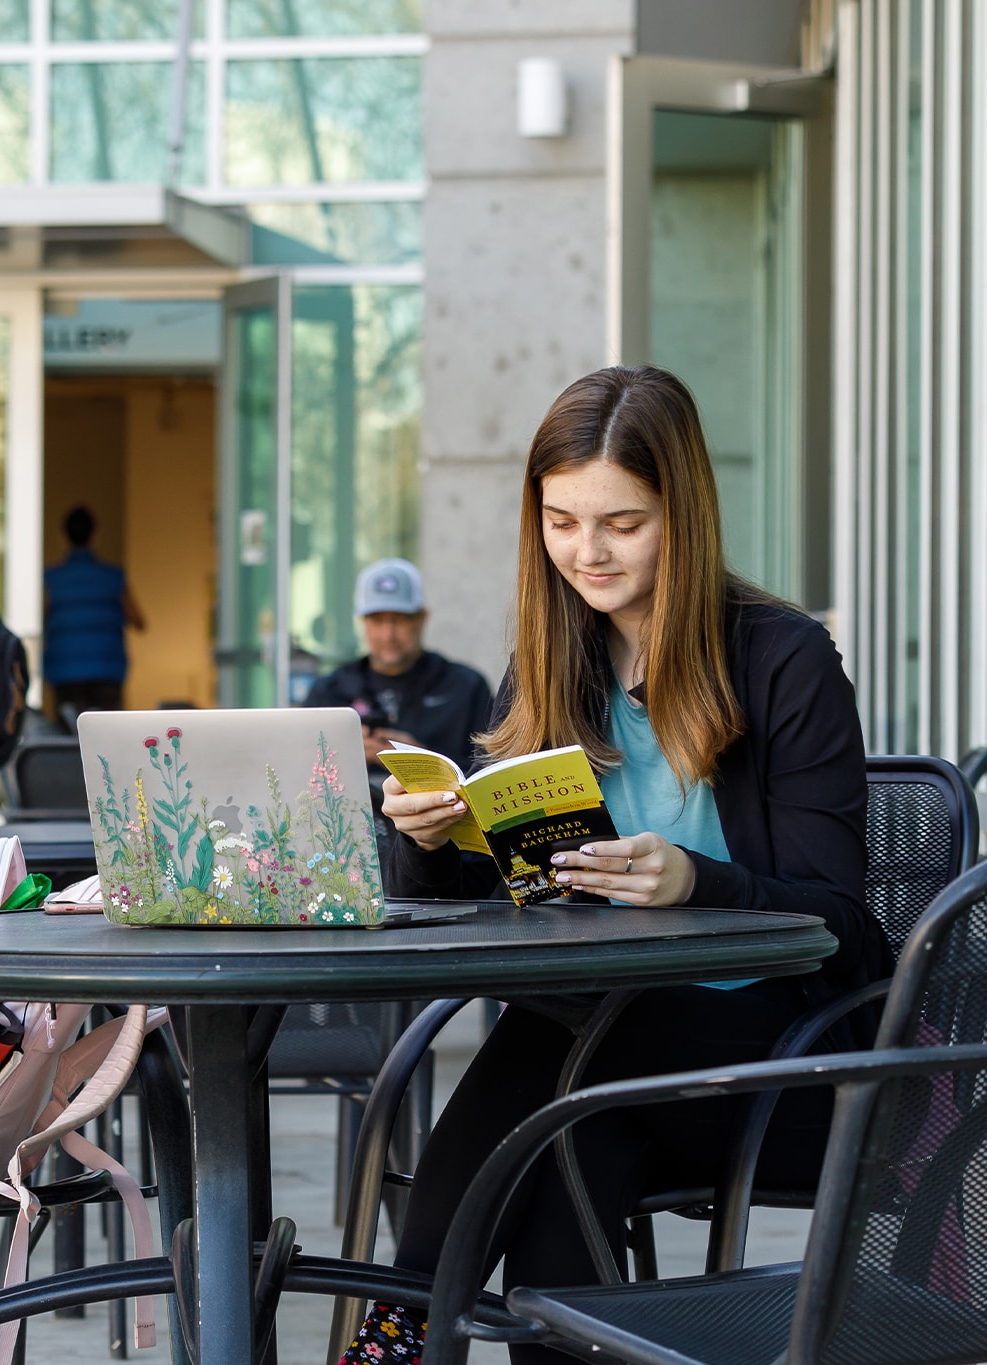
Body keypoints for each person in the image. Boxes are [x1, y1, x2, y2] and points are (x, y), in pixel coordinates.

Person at [340, 367, 889, 1365]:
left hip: (782, 1062)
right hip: (600, 1062)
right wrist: (423, 841)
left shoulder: (781, 659)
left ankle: (394, 1329)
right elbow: (501, 890)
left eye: (620, 524)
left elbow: (840, 926)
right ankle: (402, 1333)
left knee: (563, 1052)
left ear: (682, 512)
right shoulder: (558, 658)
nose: (585, 554)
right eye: (559, 522)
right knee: (564, 1145)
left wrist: (696, 881)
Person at [304, 557, 494, 779]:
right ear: (362, 622)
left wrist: (422, 761)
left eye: (400, 620)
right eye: (377, 620)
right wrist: (345, 758)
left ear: (422, 618)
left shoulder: (466, 688)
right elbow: (296, 771)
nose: (389, 635)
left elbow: (492, 774)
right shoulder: (328, 692)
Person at [42, 505, 144, 720]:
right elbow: (138, 621)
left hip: (65, 670)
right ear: (94, 532)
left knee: (69, 739)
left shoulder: (53, 579)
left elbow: (43, 616)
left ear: (63, 534)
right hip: (107, 669)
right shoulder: (113, 577)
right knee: (108, 738)